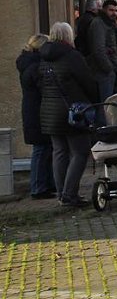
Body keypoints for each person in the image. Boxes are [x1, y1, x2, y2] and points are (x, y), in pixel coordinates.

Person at [38, 22, 99, 207]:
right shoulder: (72, 57)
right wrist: (92, 101)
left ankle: (62, 194)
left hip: (49, 111)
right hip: (73, 111)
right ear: (68, 35)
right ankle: (69, 194)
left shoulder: (43, 57)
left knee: (59, 152)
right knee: (80, 152)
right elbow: (88, 82)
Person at [17, 34, 55, 199]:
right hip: (37, 112)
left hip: (33, 111)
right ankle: (39, 187)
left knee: (45, 148)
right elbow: (43, 87)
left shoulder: (28, 63)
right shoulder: (36, 67)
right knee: (41, 149)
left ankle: (44, 185)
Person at [87, 0, 117, 111]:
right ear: (104, 10)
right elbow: (99, 49)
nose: (114, 13)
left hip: (107, 70)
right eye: (111, 10)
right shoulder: (99, 23)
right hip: (102, 72)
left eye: (116, 10)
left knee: (108, 106)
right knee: (105, 107)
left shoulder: (108, 23)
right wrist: (109, 69)